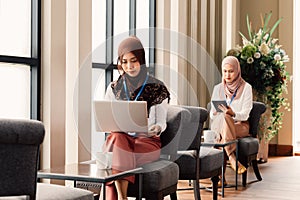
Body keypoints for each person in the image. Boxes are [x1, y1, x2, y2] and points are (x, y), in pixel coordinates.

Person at [103, 36, 170, 200]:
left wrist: (157, 128)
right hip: (121, 139)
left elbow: (162, 122)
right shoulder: (114, 88)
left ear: (141, 60)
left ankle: (120, 197)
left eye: (133, 60)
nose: (129, 66)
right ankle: (122, 197)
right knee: (118, 139)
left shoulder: (156, 88)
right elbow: (105, 116)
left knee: (116, 154)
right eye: (124, 62)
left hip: (146, 142)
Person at [209, 56, 253, 184]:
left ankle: (220, 176)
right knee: (223, 117)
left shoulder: (246, 88)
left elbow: (245, 115)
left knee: (225, 119)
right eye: (225, 71)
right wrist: (216, 112)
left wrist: (233, 114)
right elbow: (212, 115)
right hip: (221, 124)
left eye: (231, 71)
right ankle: (232, 156)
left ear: (237, 70)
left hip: (240, 125)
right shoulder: (218, 88)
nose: (227, 75)